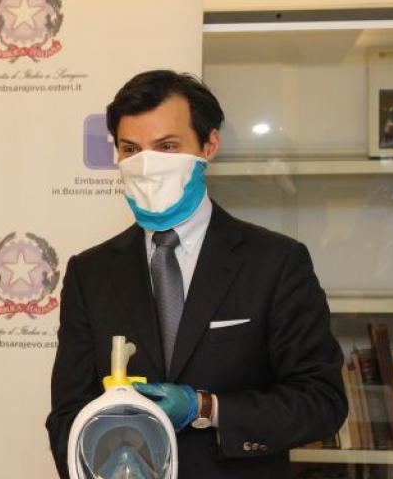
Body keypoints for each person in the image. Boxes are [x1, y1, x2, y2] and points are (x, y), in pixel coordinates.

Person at [45, 70, 347, 478]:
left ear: (209, 145)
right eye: (131, 149)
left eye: (167, 147)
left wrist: (206, 407)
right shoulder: (90, 273)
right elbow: (67, 415)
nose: (147, 165)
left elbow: (321, 401)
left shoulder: (275, 262)